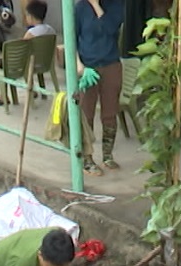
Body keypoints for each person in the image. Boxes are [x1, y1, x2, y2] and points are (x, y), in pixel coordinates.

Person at [74, 0, 125, 176]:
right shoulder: (80, 7)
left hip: (111, 64)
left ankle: (107, 155)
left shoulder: (116, 5)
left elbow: (110, 29)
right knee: (86, 113)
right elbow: (71, 39)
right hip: (88, 67)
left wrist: (96, 5)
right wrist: (79, 66)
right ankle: (87, 158)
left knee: (110, 112)